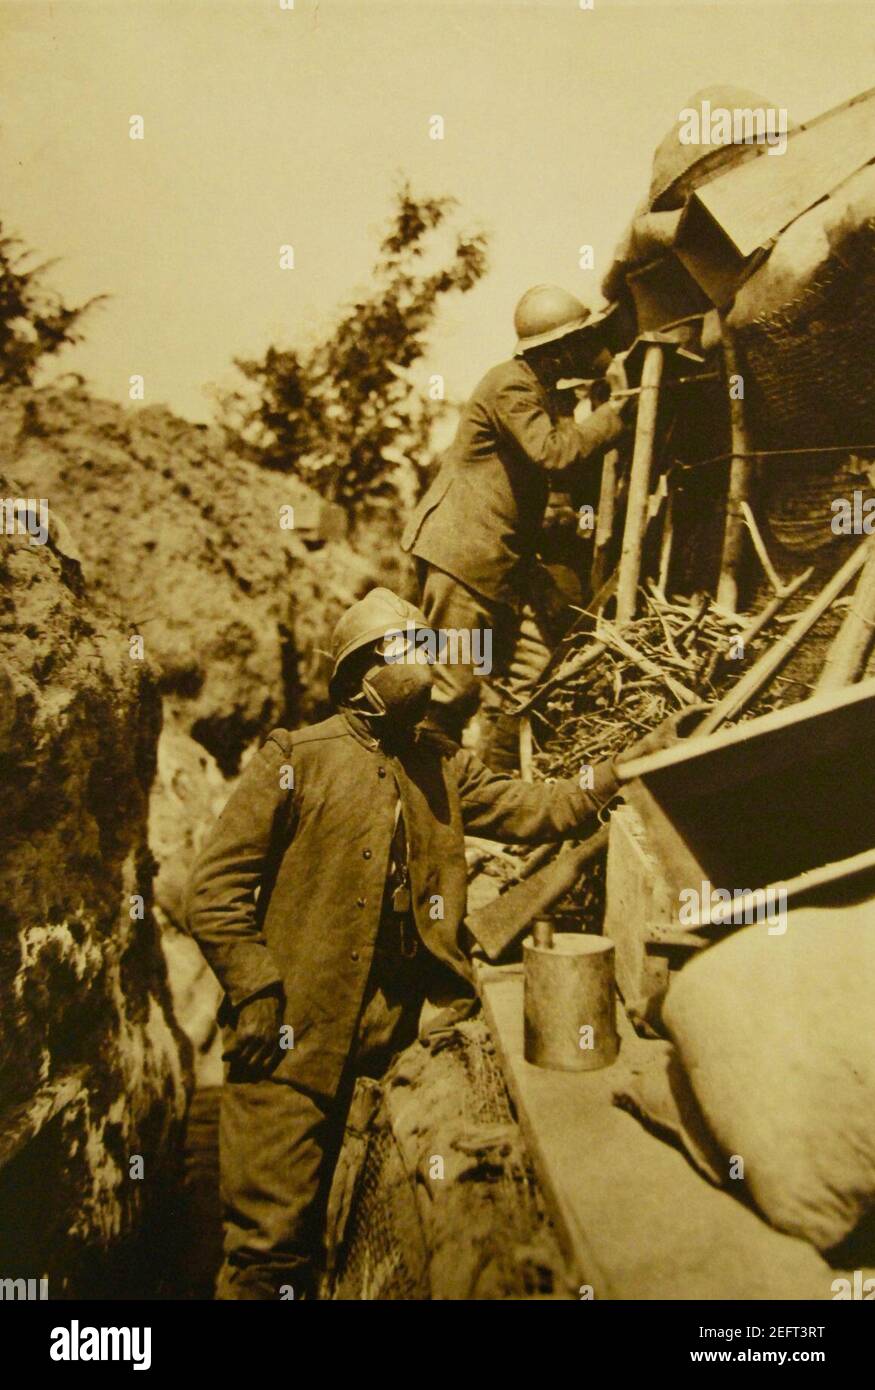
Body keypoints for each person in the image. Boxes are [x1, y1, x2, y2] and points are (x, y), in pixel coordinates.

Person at [185, 586, 669, 1300]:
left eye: (424, 647)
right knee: (267, 1253)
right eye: (402, 650)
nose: (424, 662)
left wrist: (628, 763)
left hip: (398, 1034)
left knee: (356, 1228)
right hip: (293, 1041)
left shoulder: (441, 764)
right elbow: (214, 891)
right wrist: (255, 990)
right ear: (357, 677)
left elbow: (544, 809)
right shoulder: (296, 758)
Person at [401, 284, 627, 758]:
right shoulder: (512, 384)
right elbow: (553, 453)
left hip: (478, 564)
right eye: (580, 341)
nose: (588, 349)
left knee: (473, 685)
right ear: (559, 350)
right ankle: (419, 807)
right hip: (461, 559)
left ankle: (454, 802)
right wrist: (618, 414)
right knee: (450, 689)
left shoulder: (535, 390)